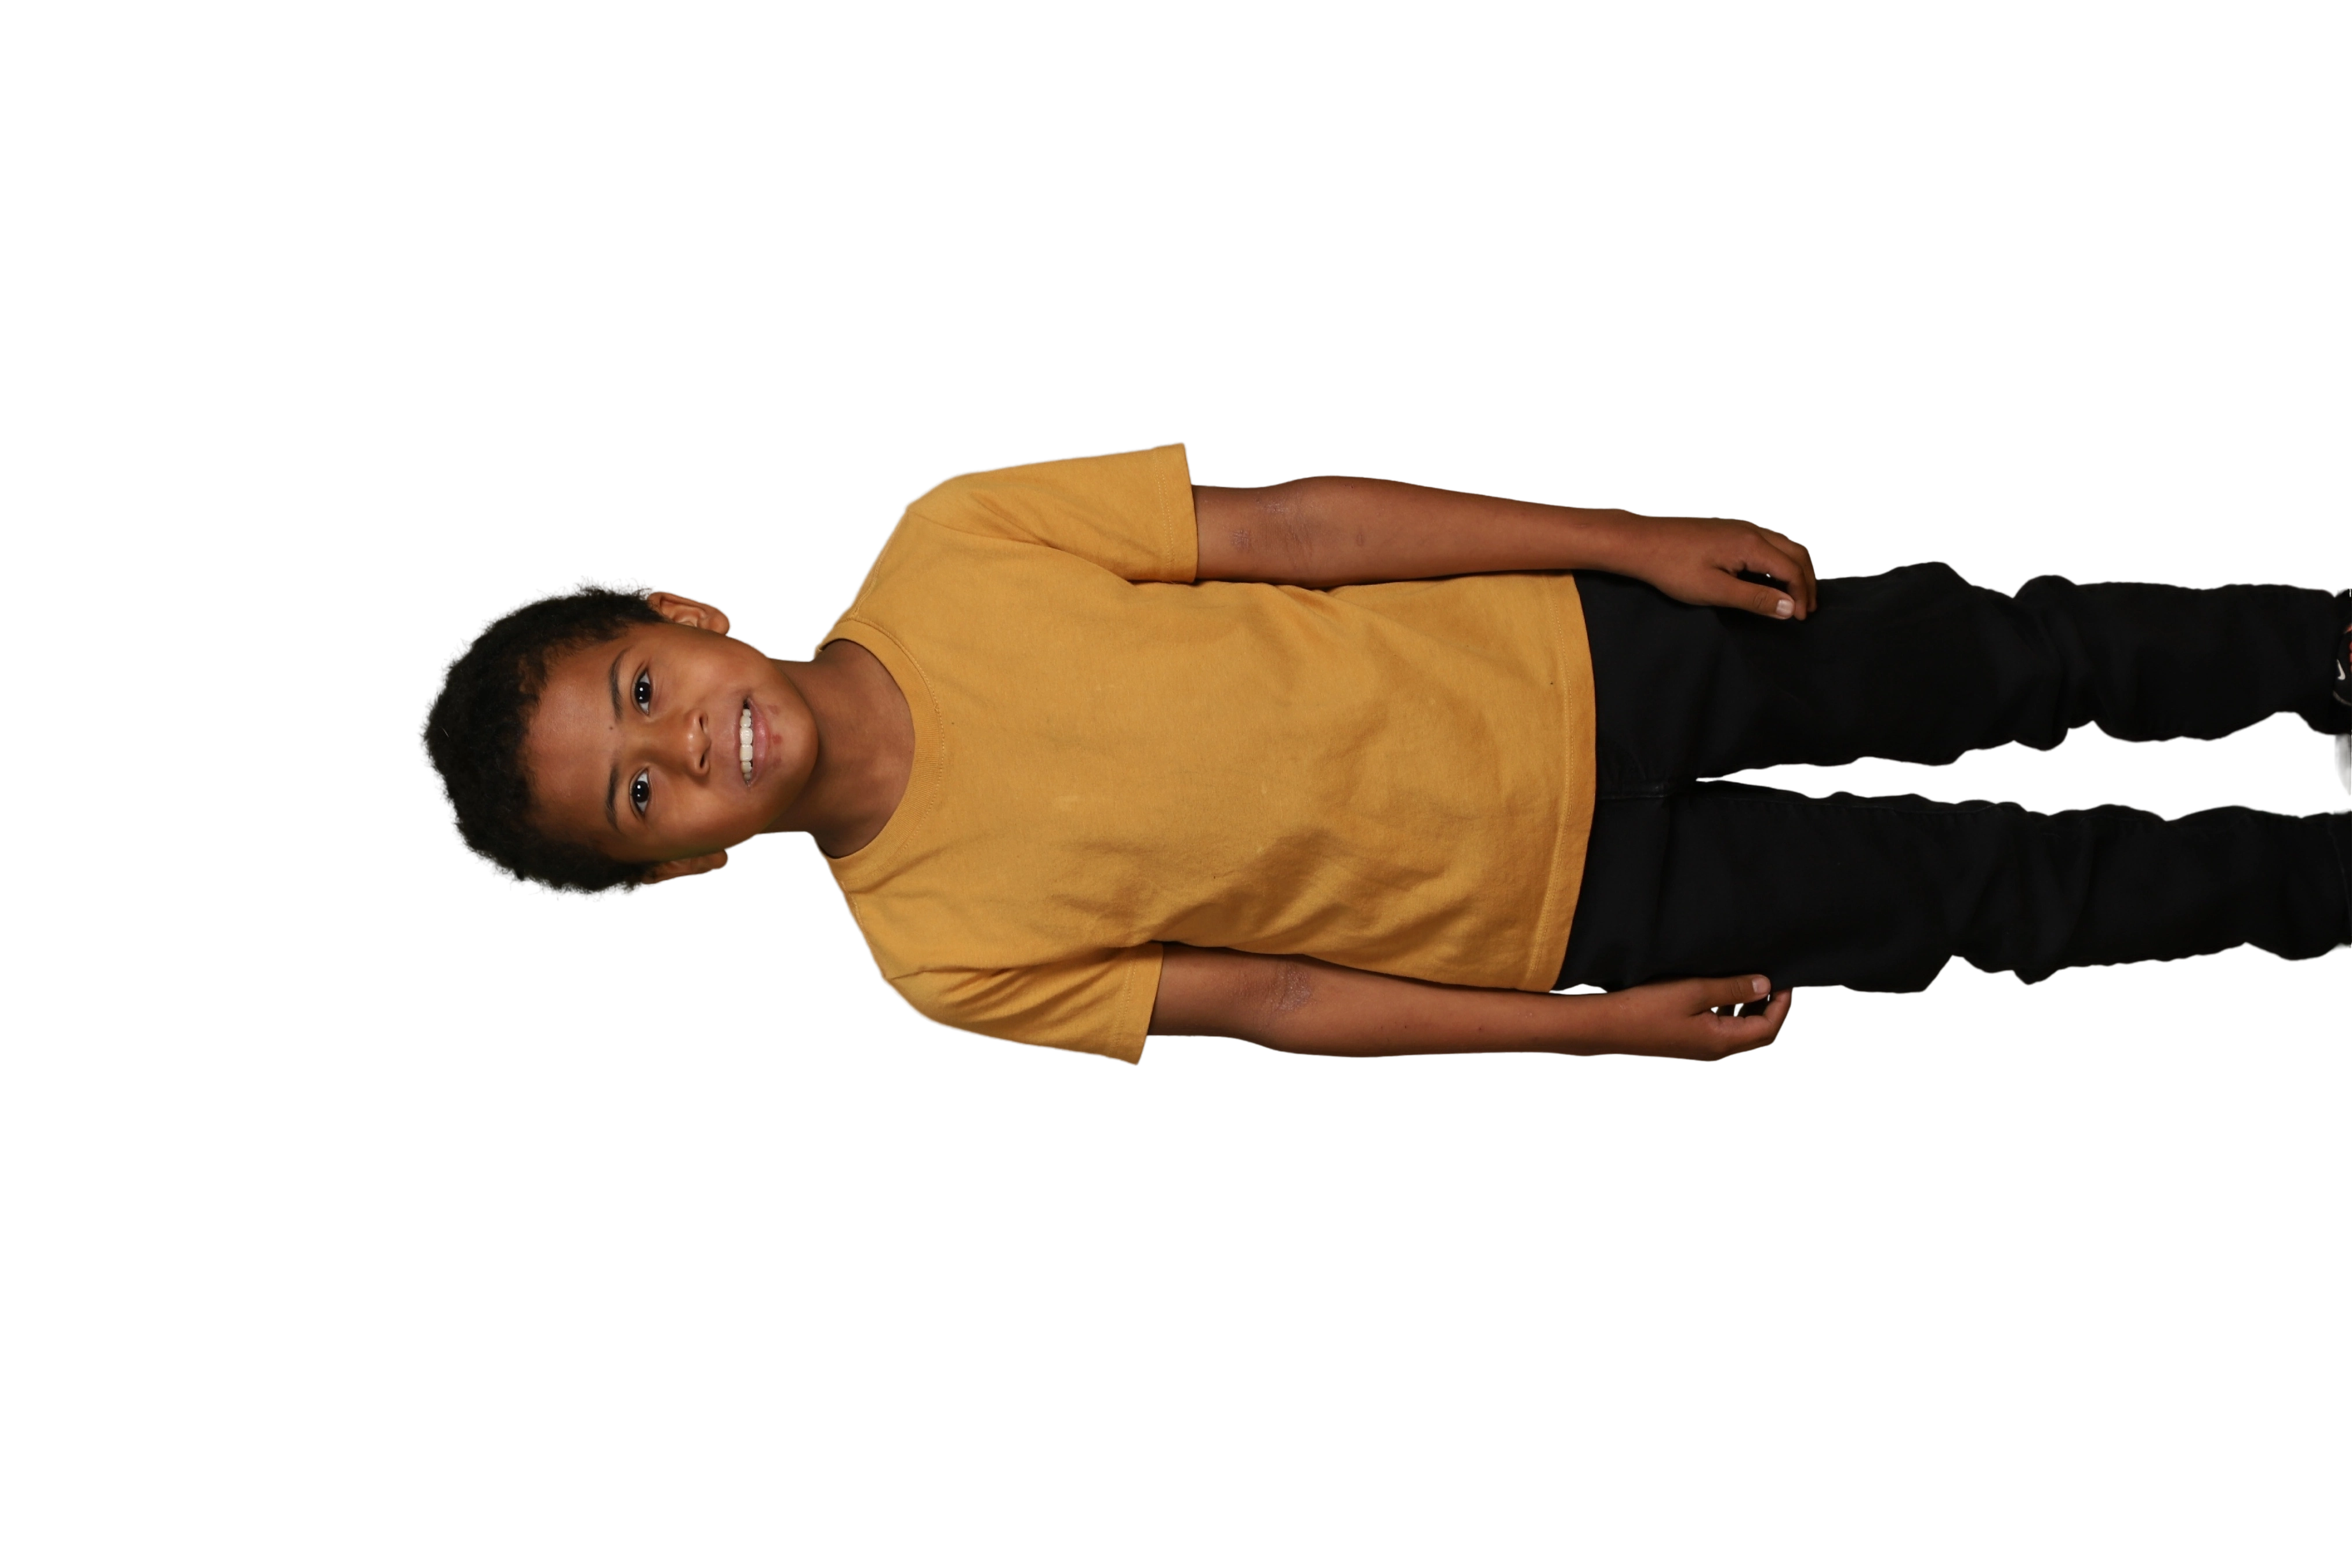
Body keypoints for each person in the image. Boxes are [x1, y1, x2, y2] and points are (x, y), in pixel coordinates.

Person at [412, 442, 2352, 1066]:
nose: (686, 742)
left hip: (1585, 655)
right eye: (639, 793)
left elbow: (1301, 530)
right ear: (680, 864)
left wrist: (1622, 541)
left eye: (641, 688)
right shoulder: (942, 955)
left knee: (1996, 656)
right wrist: (1598, 1031)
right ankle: (2318, 882)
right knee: (2000, 898)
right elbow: (1277, 999)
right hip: (1579, 917)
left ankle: (2316, 649)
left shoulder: (958, 540)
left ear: (680, 614)